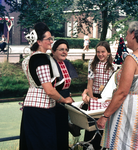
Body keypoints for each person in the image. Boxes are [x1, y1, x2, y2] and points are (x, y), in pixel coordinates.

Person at [97, 21, 138, 150]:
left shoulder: (132, 59)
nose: (125, 38)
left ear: (133, 34)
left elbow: (122, 92)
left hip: (129, 109)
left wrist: (105, 116)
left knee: (123, 144)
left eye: (127, 34)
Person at [20, 22, 77, 150]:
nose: (51, 41)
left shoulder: (29, 59)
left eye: (51, 38)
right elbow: (49, 90)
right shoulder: (42, 59)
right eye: (48, 39)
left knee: (33, 144)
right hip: (42, 109)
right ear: (39, 41)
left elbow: (36, 84)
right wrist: (64, 100)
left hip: (30, 106)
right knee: (45, 144)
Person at [82, 41, 115, 150]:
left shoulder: (113, 66)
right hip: (95, 96)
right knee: (92, 124)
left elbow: (114, 85)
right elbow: (90, 83)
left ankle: (103, 146)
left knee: (104, 124)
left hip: (107, 98)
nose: (100, 54)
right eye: (98, 52)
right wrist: (91, 98)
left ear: (108, 52)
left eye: (103, 52)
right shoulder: (92, 63)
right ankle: (90, 145)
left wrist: (109, 98)